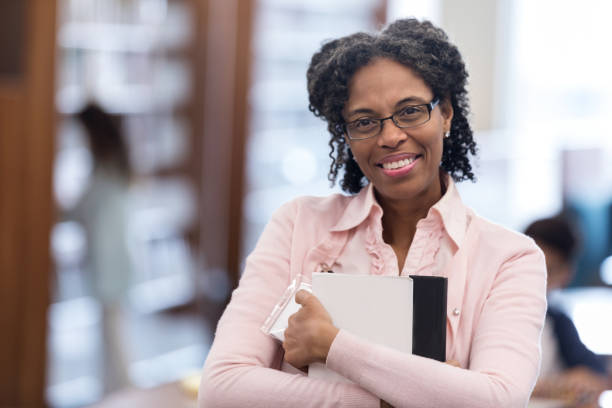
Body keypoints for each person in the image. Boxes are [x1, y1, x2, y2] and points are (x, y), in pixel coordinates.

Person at [198, 19, 547, 407]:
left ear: (445, 113)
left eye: (410, 111)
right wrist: (398, 398)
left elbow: (496, 401)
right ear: (346, 135)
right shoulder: (298, 225)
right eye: (364, 122)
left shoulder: (510, 259)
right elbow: (222, 389)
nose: (390, 136)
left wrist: (331, 346)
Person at [73, 103, 134, 393]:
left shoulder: (109, 170)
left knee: (114, 336)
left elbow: (86, 208)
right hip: (110, 262)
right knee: (110, 335)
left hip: (111, 264)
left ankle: (122, 391)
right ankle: (112, 391)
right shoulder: (111, 166)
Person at [525, 217, 609, 406]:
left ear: (567, 273)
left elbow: (592, 373)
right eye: (532, 267)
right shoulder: (487, 311)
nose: (539, 279)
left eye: (549, 270)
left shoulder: (556, 320)